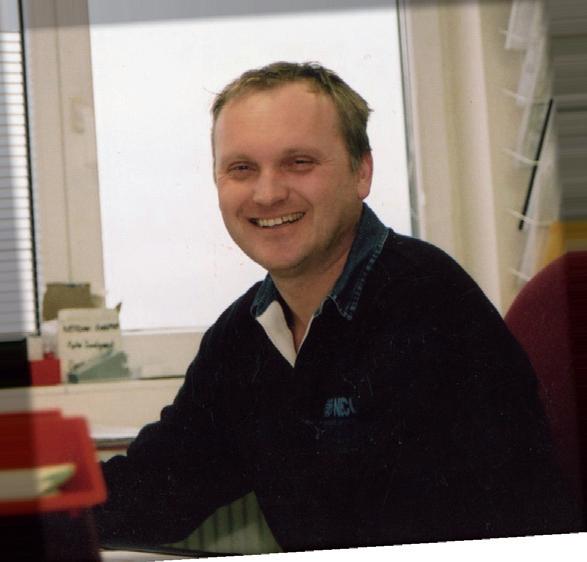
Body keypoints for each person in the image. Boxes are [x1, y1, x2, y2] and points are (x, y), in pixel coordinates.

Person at [93, 62, 582, 551]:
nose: (268, 193)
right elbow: (156, 488)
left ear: (361, 173)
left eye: (299, 162)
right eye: (242, 168)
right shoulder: (244, 335)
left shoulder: (430, 307)